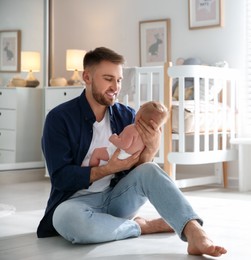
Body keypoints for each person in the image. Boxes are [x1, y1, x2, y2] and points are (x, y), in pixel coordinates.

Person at [37, 47, 227, 257]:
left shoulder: (127, 116)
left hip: (118, 198)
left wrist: (151, 150)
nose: (115, 87)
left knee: (150, 169)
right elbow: (61, 178)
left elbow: (140, 172)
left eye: (118, 80)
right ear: (87, 77)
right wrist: (108, 168)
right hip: (76, 202)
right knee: (64, 219)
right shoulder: (59, 118)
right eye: (108, 79)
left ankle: (194, 232)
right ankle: (142, 227)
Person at [89, 101, 169, 167]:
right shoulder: (146, 137)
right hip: (131, 160)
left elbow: (124, 145)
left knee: (97, 152)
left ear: (138, 116)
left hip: (120, 155)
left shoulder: (131, 128)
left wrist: (114, 138)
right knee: (155, 169)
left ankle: (91, 168)